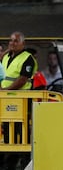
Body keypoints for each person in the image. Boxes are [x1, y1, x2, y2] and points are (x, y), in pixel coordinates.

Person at [0, 31, 37, 170]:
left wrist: (6, 90)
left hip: (20, 99)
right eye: (10, 40)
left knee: (19, 132)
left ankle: (23, 162)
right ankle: (8, 163)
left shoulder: (28, 58)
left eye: (16, 41)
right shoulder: (6, 56)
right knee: (7, 131)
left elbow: (22, 79)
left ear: (23, 43)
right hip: (6, 100)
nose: (12, 43)